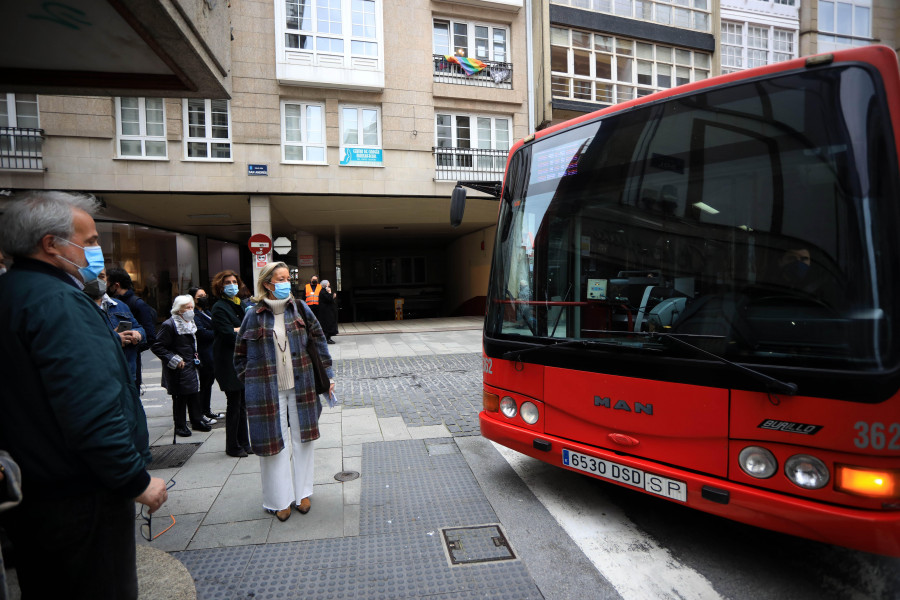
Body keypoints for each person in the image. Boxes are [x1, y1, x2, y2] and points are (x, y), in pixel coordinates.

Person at [0, 191, 167, 599]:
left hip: (34, 492)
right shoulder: (59, 302)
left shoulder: (12, 293)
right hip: (79, 499)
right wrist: (135, 480)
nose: (98, 250)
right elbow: (91, 409)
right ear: (51, 244)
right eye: (90, 241)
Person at [234, 262, 335, 521]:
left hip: (302, 385)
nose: (285, 283)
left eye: (287, 277)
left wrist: (328, 374)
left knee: (303, 440)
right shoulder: (252, 315)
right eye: (279, 279)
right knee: (273, 445)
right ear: (267, 284)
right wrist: (252, 382)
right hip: (267, 390)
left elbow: (319, 340)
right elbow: (240, 356)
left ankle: (302, 493)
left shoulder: (300, 308)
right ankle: (279, 500)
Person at [152, 294, 211, 437]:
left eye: (191, 307)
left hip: (191, 365)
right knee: (180, 397)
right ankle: (180, 426)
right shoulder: (169, 324)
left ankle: (196, 420)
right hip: (179, 367)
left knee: (194, 394)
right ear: (179, 310)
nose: (191, 310)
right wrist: (174, 359)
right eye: (187, 307)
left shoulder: (190, 322)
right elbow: (157, 346)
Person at [211, 271, 252, 457]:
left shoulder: (239, 303)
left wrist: (239, 329)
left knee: (242, 403)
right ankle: (232, 445)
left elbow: (246, 328)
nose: (232, 285)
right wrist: (240, 330)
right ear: (220, 286)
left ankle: (244, 442)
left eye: (235, 281)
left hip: (241, 360)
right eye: (228, 282)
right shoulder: (219, 307)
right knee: (234, 404)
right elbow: (229, 334)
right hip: (227, 361)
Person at [85, 269, 146, 386]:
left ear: (107, 281)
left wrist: (137, 334)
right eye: (92, 276)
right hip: (100, 377)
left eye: (101, 276)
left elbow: (140, 329)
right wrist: (116, 338)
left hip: (127, 375)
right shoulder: (79, 307)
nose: (97, 280)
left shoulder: (120, 305)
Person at [107, 266, 157, 388]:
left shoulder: (136, 304)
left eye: (105, 280)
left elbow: (149, 336)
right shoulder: (110, 303)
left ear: (116, 285)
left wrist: (133, 340)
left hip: (130, 361)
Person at [190, 286, 222, 423]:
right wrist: (218, 333)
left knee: (209, 383)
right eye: (200, 296)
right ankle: (201, 412)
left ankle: (207, 410)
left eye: (204, 295)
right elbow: (202, 333)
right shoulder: (194, 314)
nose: (203, 298)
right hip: (203, 354)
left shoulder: (207, 312)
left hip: (212, 353)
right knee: (203, 384)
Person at [318, 279, 338, 344]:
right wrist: (331, 294)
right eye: (328, 283)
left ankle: (328, 338)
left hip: (328, 311)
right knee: (327, 325)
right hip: (326, 312)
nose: (329, 284)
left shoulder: (324, 291)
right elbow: (329, 299)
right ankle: (327, 338)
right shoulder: (323, 291)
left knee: (329, 324)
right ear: (326, 284)